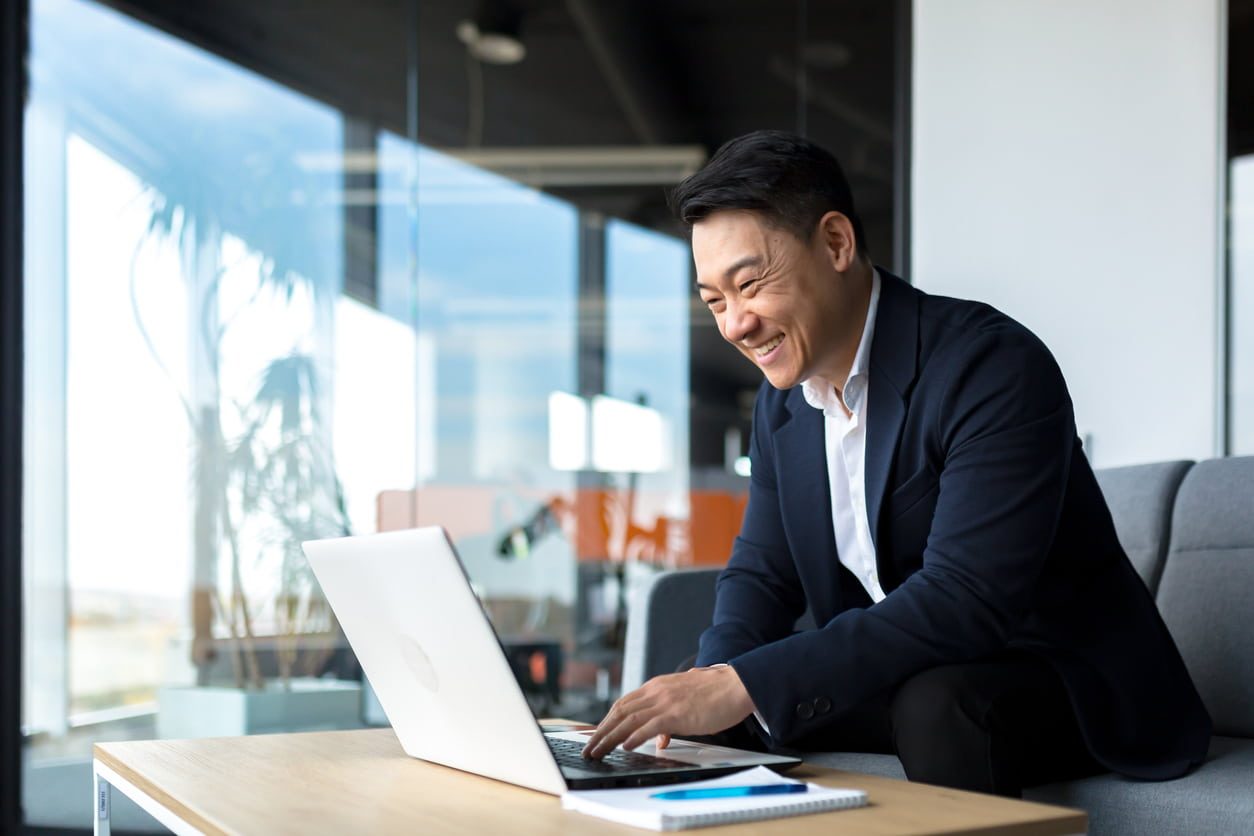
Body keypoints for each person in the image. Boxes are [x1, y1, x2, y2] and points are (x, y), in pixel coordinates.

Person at [581, 130, 1211, 797]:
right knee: (700, 701)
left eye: (750, 284)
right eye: (715, 301)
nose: (735, 323)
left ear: (835, 244)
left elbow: (966, 601)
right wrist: (713, 681)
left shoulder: (990, 366)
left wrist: (746, 683)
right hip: (912, 672)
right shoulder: (782, 406)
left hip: (1059, 679)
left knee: (934, 705)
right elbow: (764, 574)